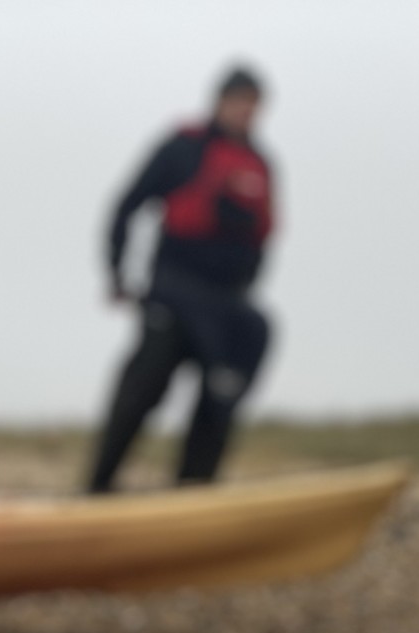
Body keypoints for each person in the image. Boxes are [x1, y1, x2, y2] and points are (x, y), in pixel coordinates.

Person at [89, 67, 274, 492]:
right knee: (141, 391)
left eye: (254, 104)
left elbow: (263, 239)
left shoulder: (260, 164)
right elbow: (127, 204)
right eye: (239, 101)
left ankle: (193, 492)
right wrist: (117, 273)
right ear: (220, 100)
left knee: (221, 395)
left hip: (226, 305)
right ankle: (98, 488)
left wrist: (245, 292)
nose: (246, 111)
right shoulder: (183, 147)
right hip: (173, 294)